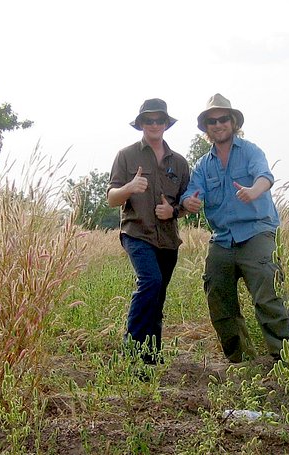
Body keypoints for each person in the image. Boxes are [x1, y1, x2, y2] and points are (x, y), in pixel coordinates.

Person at [181, 93, 289, 363]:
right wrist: (189, 202)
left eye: (223, 119)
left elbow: (265, 176)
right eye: (212, 121)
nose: (218, 124)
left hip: (256, 232)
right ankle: (241, 360)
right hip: (222, 239)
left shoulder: (251, 151)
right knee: (218, 296)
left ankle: (286, 359)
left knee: (267, 295)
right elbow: (190, 195)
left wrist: (254, 190)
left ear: (233, 122)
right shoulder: (203, 165)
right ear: (206, 128)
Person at [107, 98, 190, 364]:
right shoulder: (126, 155)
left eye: (159, 120)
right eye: (148, 120)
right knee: (150, 282)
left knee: (158, 297)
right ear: (141, 123)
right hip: (136, 233)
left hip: (167, 239)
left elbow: (188, 203)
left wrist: (174, 211)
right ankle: (131, 352)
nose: (154, 125)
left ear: (167, 123)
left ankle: (151, 357)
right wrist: (129, 188)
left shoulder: (179, 163)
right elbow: (111, 198)